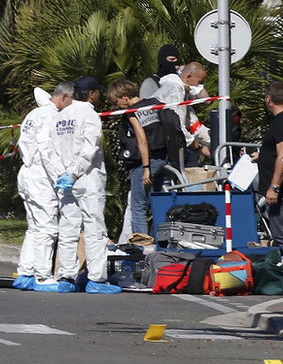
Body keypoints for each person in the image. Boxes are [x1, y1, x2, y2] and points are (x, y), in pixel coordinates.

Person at [51, 76, 121, 294]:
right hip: (86, 178)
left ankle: (66, 277)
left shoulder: (61, 116)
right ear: (91, 93)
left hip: (65, 179)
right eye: (97, 93)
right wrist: (75, 173)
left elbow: (53, 150)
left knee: (69, 228)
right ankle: (96, 279)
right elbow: (90, 148)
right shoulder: (88, 113)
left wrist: (63, 173)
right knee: (94, 228)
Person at [13, 82, 73, 291]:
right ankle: (43, 275)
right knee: (47, 227)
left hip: (27, 171)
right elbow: (47, 150)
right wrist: (62, 176)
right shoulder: (49, 117)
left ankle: (25, 271)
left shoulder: (34, 114)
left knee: (35, 227)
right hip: (41, 175)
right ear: (64, 97)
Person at [108, 80, 168, 237]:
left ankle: (141, 248)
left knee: (138, 206)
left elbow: (142, 140)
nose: (117, 106)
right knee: (160, 205)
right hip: (164, 160)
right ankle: (162, 244)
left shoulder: (132, 112)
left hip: (145, 163)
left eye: (117, 101)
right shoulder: (154, 103)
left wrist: (146, 168)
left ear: (125, 97)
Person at [250, 81, 283, 258]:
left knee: (282, 234)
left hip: (282, 190)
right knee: (281, 233)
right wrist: (261, 155)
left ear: (268, 99)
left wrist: (274, 187)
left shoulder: (282, 121)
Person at [153, 62, 212, 164]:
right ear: (189, 77)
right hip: (165, 144)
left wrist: (214, 140)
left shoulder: (182, 91)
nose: (200, 86)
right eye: (199, 82)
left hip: (174, 141)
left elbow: (193, 123)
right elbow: (178, 127)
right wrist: (200, 146)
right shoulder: (175, 91)